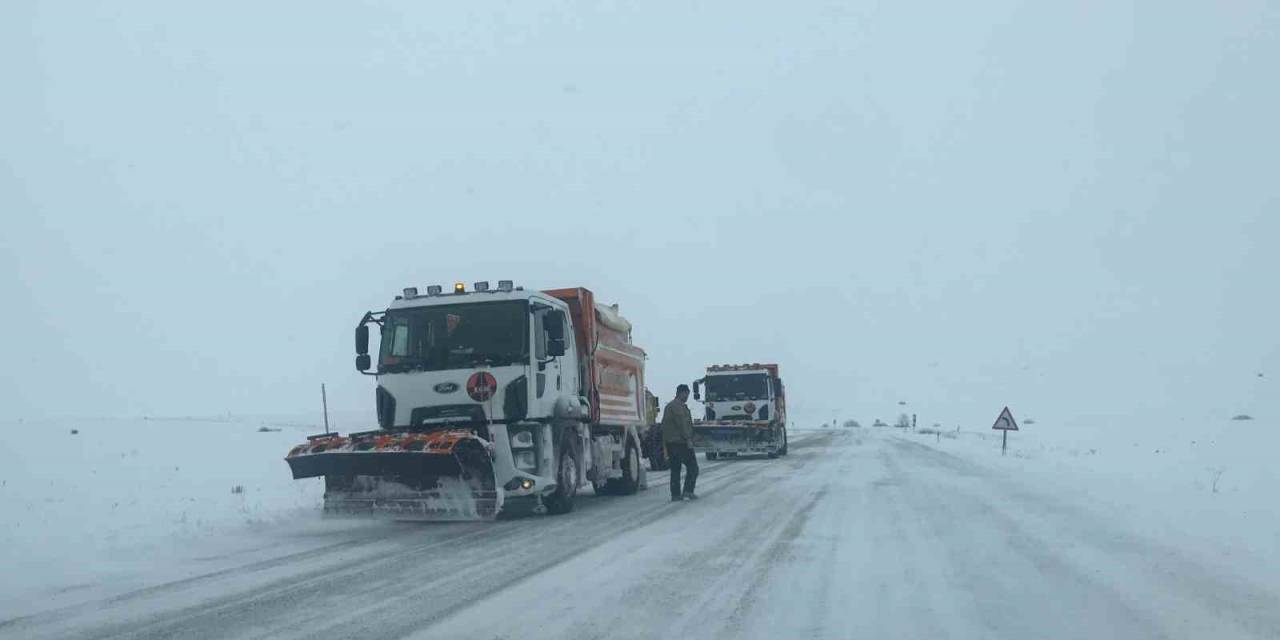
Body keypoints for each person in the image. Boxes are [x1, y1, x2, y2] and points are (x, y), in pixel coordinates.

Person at [660, 384, 698, 501]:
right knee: (693, 467)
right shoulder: (677, 407)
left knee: (675, 469)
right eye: (686, 394)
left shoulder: (671, 406)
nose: (687, 396)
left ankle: (675, 494)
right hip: (680, 442)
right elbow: (682, 424)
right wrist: (688, 439)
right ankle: (688, 491)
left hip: (671, 443)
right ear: (681, 393)